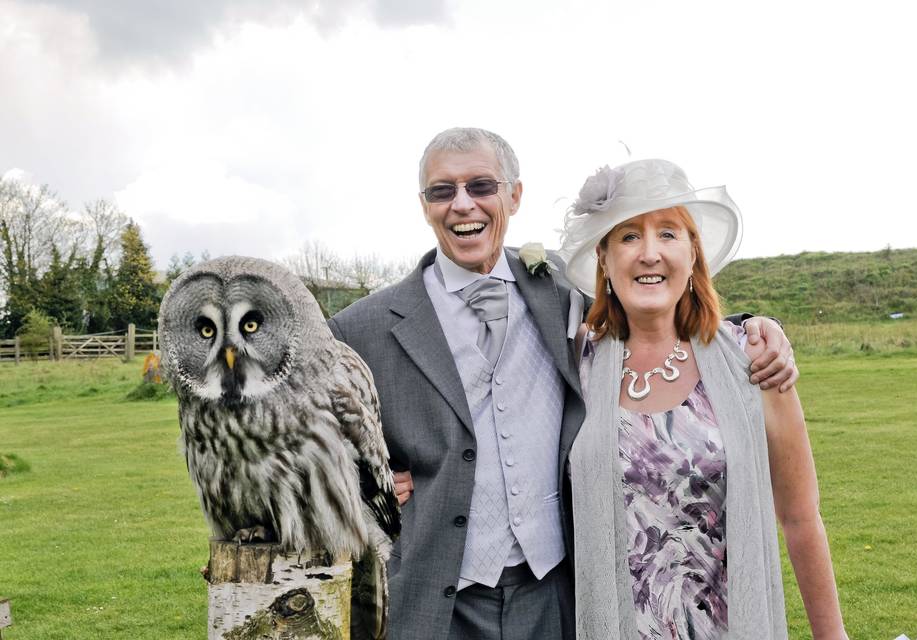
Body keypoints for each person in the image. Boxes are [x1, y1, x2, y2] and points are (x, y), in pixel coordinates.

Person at [327, 129, 797, 640]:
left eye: (481, 185)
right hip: (437, 603)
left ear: (514, 195)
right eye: (442, 191)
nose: (462, 204)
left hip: (553, 595)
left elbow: (654, 297)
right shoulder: (362, 329)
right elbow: (308, 444)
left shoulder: (559, 288)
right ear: (424, 205)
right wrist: (357, 485)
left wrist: (751, 327)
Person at [559, 159, 846, 639]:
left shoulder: (753, 361)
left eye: (668, 233)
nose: (649, 252)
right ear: (604, 259)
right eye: (629, 236)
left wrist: (832, 637)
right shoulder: (572, 364)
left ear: (693, 254)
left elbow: (799, 517)